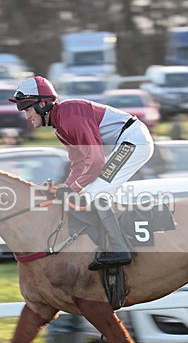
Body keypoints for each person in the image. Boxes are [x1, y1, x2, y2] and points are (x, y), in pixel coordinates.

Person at [10, 76, 154, 270]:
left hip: (134, 141)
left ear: (42, 104)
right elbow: (78, 165)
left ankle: (119, 249)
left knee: (95, 193)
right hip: (125, 142)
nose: (27, 116)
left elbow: (95, 162)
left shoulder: (70, 117)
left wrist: (73, 188)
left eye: (28, 110)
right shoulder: (60, 127)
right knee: (90, 192)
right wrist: (65, 187)